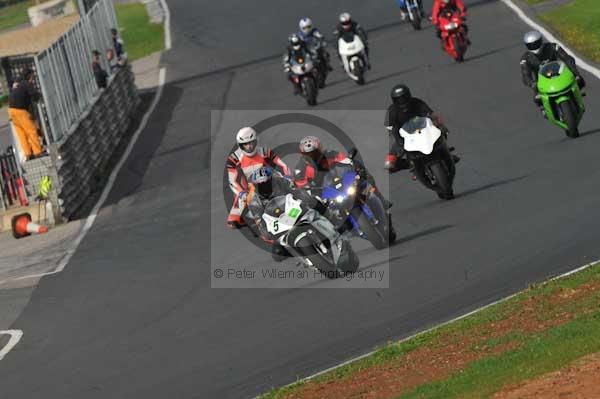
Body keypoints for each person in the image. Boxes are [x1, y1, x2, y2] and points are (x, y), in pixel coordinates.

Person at [245, 166, 330, 261]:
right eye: (260, 185)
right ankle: (302, 257)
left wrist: (309, 200)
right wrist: (265, 232)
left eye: (266, 183)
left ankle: (332, 223)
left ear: (271, 180)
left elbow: (296, 191)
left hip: (293, 211)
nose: (264, 187)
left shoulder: (281, 183)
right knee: (277, 254)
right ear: (255, 187)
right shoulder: (254, 202)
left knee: (317, 207)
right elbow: (259, 221)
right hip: (278, 224)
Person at [294, 135, 392, 211]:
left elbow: (347, 161)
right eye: (310, 154)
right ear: (304, 156)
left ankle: (380, 199)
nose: (315, 156)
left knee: (363, 175)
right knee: (317, 211)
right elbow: (302, 189)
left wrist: (356, 169)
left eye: (316, 152)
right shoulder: (300, 170)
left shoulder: (330, 154)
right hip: (324, 192)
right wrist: (314, 195)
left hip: (339, 181)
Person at [385, 84, 460, 172]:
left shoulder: (417, 102)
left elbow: (431, 114)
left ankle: (447, 153)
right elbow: (390, 127)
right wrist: (393, 133)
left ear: (409, 95)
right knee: (392, 156)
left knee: (440, 131)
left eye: (404, 97)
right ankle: (406, 163)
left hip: (422, 128)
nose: (402, 101)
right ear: (394, 100)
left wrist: (440, 124)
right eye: (399, 99)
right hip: (405, 133)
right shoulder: (392, 110)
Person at [226, 127, 290, 229]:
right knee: (233, 220)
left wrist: (287, 177)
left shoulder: (264, 151)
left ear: (256, 141)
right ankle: (258, 222)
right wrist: (242, 193)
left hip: (270, 180)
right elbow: (232, 181)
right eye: (245, 144)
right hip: (250, 187)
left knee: (291, 188)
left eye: (251, 143)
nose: (249, 147)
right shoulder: (234, 159)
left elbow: (283, 165)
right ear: (240, 145)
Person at [520, 30, 585, 112]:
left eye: (536, 43)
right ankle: (544, 109)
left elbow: (567, 58)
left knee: (579, 80)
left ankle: (578, 94)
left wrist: (574, 71)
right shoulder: (525, 58)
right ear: (527, 46)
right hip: (541, 82)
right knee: (537, 99)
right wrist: (532, 83)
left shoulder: (553, 46)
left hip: (560, 73)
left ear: (540, 41)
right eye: (531, 45)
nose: (534, 46)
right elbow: (525, 75)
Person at [8, 68, 44, 160]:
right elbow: (34, 94)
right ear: (29, 76)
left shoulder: (18, 84)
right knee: (31, 130)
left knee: (22, 133)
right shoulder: (26, 83)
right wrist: (40, 96)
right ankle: (38, 152)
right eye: (32, 77)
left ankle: (28, 154)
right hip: (20, 110)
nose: (33, 79)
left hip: (11, 111)